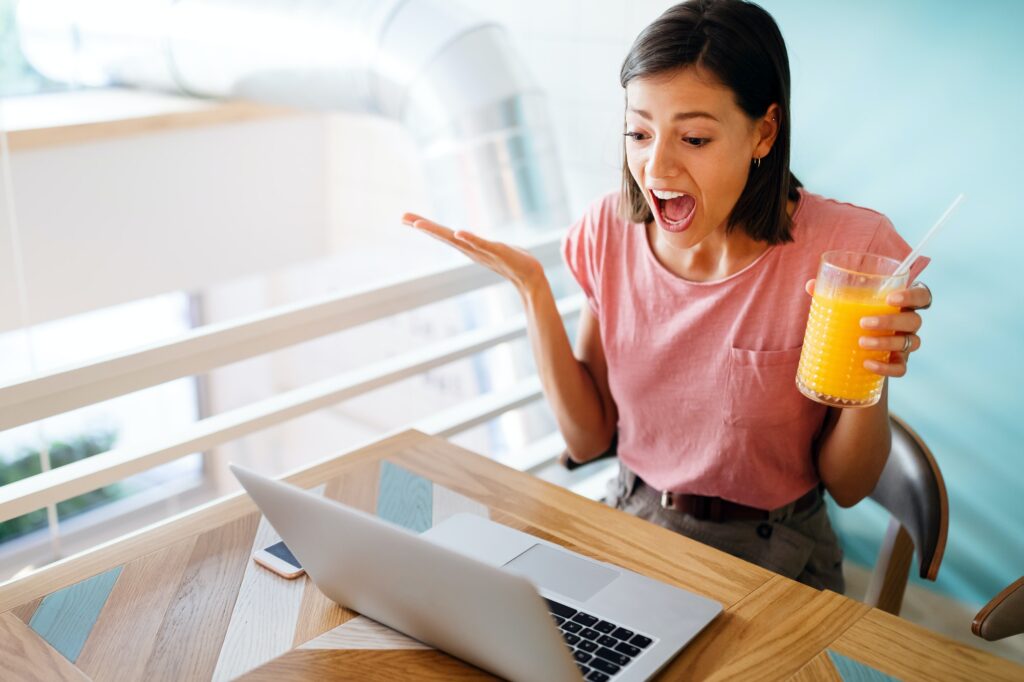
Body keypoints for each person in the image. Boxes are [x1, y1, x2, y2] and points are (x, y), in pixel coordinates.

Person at [402, 0, 931, 593]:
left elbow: (849, 486)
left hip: (777, 557)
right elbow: (589, 436)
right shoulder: (608, 231)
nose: (655, 166)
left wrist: (871, 372)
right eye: (639, 132)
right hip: (634, 524)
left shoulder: (847, 254)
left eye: (695, 137)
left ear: (764, 130)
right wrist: (532, 290)